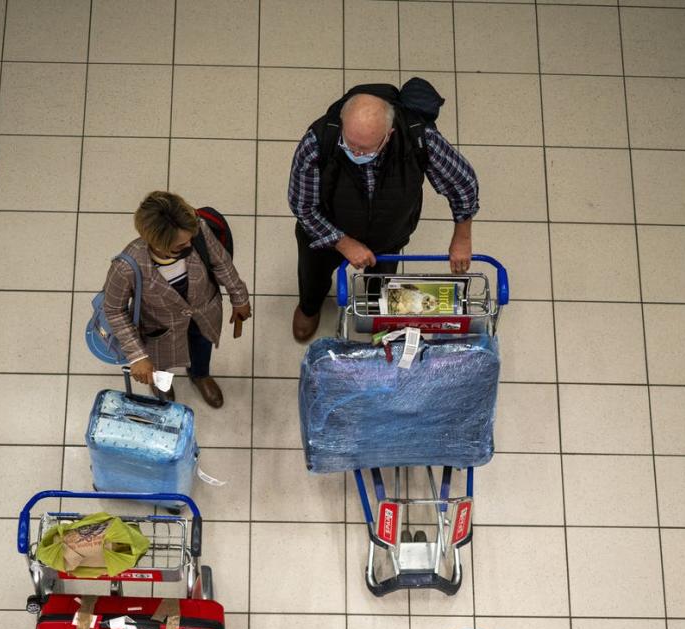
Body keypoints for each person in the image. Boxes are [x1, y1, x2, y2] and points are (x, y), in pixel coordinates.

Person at [287, 82, 479, 342]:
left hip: (389, 234)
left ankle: (377, 313)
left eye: (365, 148)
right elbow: (302, 205)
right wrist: (342, 242)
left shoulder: (418, 137)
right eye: (350, 144)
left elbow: (462, 182)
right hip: (326, 228)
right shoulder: (320, 140)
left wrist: (462, 236)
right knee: (312, 275)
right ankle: (309, 307)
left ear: (388, 134)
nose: (355, 153)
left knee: (381, 280)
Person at [101, 191, 251, 408]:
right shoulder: (127, 267)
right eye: (181, 246)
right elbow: (114, 309)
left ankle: (200, 375)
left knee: (202, 349)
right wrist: (137, 356)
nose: (190, 245)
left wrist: (239, 297)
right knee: (160, 363)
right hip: (159, 329)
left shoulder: (198, 231)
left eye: (191, 239)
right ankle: (162, 385)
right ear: (156, 242)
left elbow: (221, 263)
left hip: (203, 315)